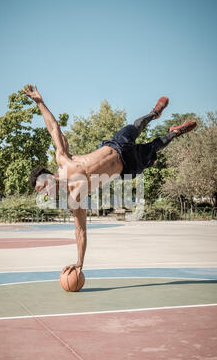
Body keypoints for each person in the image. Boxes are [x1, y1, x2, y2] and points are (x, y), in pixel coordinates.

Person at [23, 85, 196, 274]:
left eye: (43, 188)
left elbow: (53, 128)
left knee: (137, 126)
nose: (46, 193)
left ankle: (154, 113)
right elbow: (80, 231)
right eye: (43, 193)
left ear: (47, 176)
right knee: (155, 147)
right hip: (126, 166)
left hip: (116, 144)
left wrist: (40, 102)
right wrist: (80, 262)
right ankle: (175, 133)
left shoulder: (63, 160)